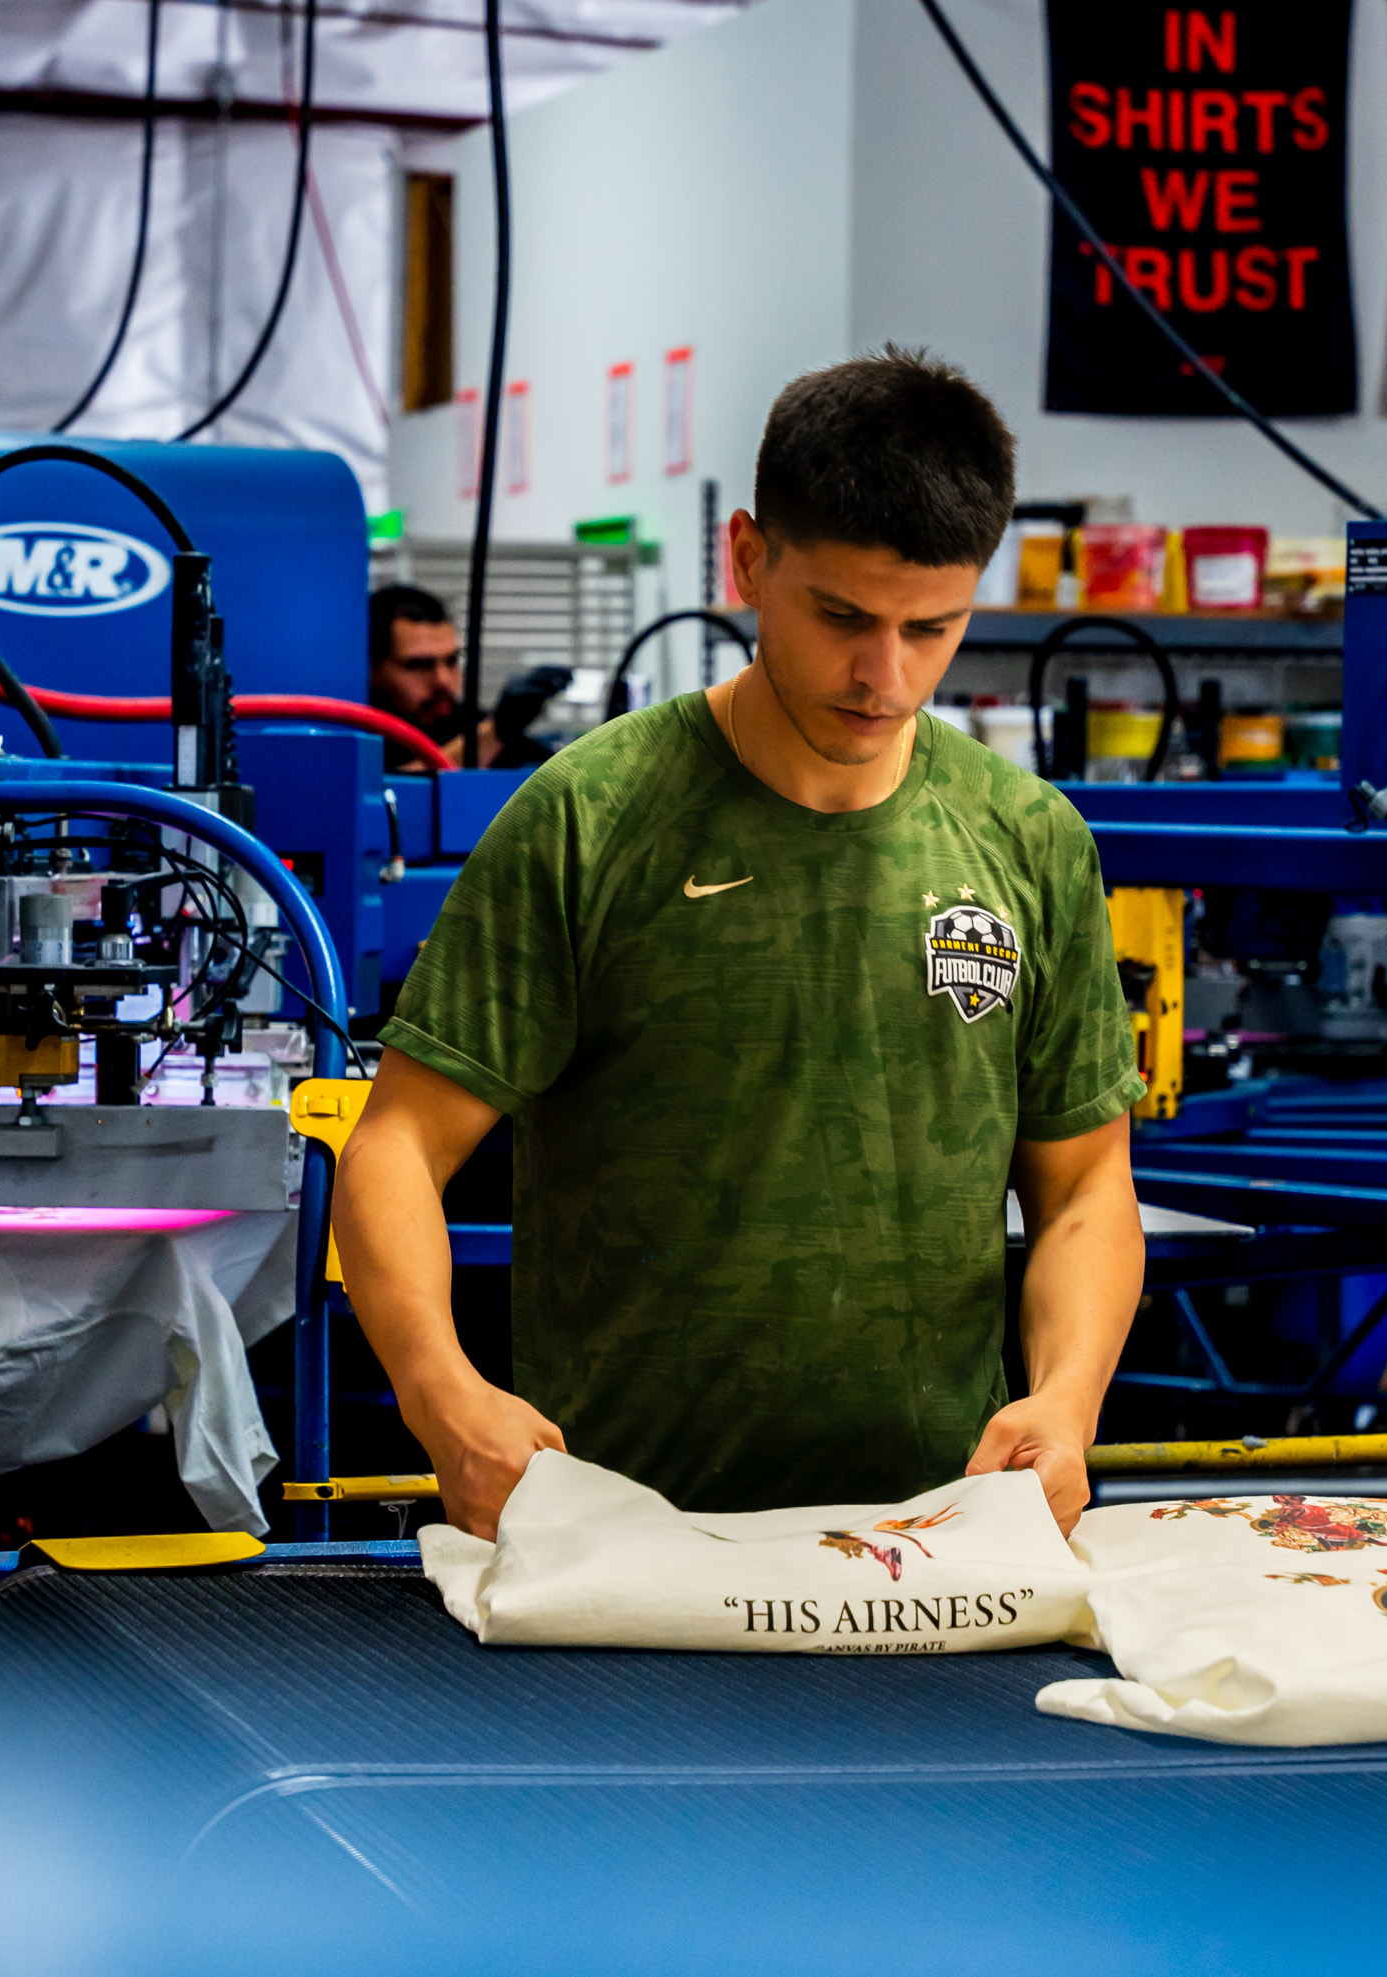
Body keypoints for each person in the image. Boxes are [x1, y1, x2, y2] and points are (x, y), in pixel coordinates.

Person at [334, 347, 1147, 1540]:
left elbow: (1083, 1187)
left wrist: (1067, 1401)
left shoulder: (1027, 841)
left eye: (933, 628)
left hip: (934, 1551)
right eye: (841, 618)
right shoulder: (589, 819)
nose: (885, 677)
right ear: (748, 560)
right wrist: (442, 1395)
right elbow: (395, 1146)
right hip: (622, 1541)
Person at [367, 584, 497, 770]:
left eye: (452, 661)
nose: (442, 681)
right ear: (372, 668)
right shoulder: (359, 737)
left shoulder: (475, 724)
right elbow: (384, 787)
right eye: (419, 665)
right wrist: (492, 736)